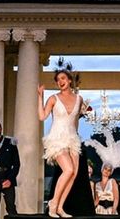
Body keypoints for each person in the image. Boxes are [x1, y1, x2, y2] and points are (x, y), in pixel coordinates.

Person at [39, 66, 90, 217]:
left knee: (73, 174)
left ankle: (60, 207)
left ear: (69, 80)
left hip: (72, 138)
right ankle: (53, 202)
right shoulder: (53, 98)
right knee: (68, 170)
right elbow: (42, 116)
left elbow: (75, 122)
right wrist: (40, 96)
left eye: (63, 78)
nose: (60, 81)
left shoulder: (79, 99)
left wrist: (76, 137)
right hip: (57, 138)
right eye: (57, 80)